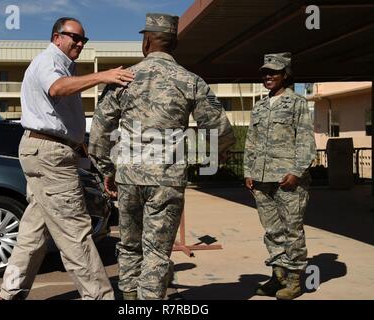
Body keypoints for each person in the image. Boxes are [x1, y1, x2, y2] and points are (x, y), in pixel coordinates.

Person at [89, 13, 235, 300]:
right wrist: (216, 157)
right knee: (156, 251)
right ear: (174, 43)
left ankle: (130, 298)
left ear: (146, 42)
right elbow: (221, 130)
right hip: (166, 180)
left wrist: (107, 171)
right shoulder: (190, 81)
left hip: (129, 178)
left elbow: (99, 133)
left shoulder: (124, 79)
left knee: (130, 246)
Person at [0, 17, 134, 300]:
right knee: (75, 231)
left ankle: (9, 293)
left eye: (84, 40)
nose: (80, 44)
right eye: (75, 38)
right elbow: (57, 88)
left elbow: (59, 114)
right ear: (57, 37)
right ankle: (100, 297)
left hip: (48, 150)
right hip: (50, 155)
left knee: (34, 232)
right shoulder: (49, 61)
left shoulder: (62, 65)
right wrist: (102, 76)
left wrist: (80, 147)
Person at [243, 52, 316, 300]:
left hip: (288, 180)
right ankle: (278, 277)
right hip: (262, 180)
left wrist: (296, 172)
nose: (268, 76)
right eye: (265, 72)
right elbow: (251, 142)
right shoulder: (260, 106)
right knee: (272, 231)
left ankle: (295, 281)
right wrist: (248, 172)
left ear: (285, 74)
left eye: (274, 72)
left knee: (292, 230)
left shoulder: (296, 103)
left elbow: (306, 142)